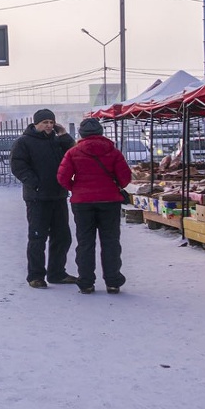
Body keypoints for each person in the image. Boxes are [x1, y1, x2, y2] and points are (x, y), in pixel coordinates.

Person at [57, 118, 131, 294]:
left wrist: (76, 189)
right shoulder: (113, 152)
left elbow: (62, 177)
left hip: (82, 204)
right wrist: (114, 187)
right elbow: (125, 177)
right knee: (111, 242)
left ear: (81, 134)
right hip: (110, 202)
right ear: (101, 132)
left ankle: (86, 282)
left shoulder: (73, 152)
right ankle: (113, 282)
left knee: (85, 243)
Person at [11, 109, 78, 289]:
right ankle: (36, 276)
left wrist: (64, 136)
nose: (48, 126)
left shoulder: (57, 141)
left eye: (51, 122)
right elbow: (18, 166)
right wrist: (34, 182)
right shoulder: (24, 142)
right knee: (37, 237)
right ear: (36, 124)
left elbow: (74, 154)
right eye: (45, 122)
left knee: (62, 237)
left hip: (58, 195)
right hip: (37, 197)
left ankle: (57, 273)